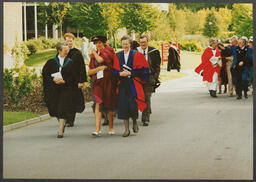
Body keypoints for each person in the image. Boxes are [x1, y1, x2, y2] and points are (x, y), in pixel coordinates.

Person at [42, 41, 85, 138]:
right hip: (54, 89)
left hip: (66, 89)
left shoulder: (70, 62)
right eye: (65, 50)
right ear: (59, 50)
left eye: (68, 50)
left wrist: (65, 81)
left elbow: (74, 76)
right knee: (56, 108)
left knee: (63, 108)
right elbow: (45, 74)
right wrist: (53, 79)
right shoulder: (51, 62)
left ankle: (60, 130)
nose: (67, 52)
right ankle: (62, 122)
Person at [113, 35, 150, 137]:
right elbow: (113, 70)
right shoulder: (117, 56)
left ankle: (134, 122)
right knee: (123, 106)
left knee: (133, 106)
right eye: (123, 44)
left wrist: (131, 73)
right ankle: (126, 129)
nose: (125, 46)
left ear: (130, 44)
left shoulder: (136, 55)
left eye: (126, 44)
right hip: (122, 85)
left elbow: (144, 70)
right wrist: (119, 74)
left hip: (133, 85)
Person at [88, 35, 118, 136]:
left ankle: (111, 127)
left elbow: (101, 60)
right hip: (98, 82)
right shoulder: (94, 55)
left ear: (104, 42)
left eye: (99, 43)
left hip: (109, 81)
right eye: (96, 43)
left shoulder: (109, 50)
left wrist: (93, 52)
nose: (98, 45)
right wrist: (98, 69)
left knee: (109, 105)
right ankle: (97, 129)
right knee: (98, 103)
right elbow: (90, 71)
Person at [64, 33, 87, 127]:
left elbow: (82, 67)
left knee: (72, 100)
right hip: (64, 81)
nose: (69, 42)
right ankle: (65, 118)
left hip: (74, 80)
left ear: (73, 41)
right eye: (67, 40)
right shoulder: (62, 52)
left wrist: (81, 81)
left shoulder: (77, 53)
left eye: (70, 40)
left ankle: (70, 120)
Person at [137, 35, 161, 126]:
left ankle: (145, 119)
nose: (143, 44)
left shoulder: (154, 52)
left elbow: (157, 67)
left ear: (148, 42)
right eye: (141, 42)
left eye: (144, 42)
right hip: (138, 78)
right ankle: (148, 109)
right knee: (140, 97)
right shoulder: (136, 52)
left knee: (146, 97)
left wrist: (154, 78)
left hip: (149, 77)